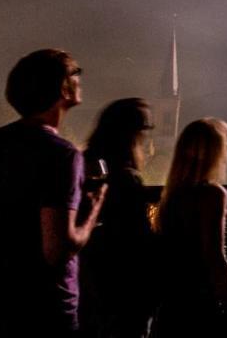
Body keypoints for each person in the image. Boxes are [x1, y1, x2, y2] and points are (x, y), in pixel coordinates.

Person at [0, 49, 107, 338]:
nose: (80, 79)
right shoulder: (61, 156)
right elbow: (57, 249)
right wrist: (94, 210)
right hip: (44, 317)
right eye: (75, 73)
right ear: (62, 87)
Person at [152, 118, 227, 338]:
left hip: (173, 304)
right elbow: (214, 255)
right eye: (225, 143)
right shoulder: (213, 194)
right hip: (202, 304)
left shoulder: (172, 195)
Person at [80, 98, 158, 338]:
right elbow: (137, 242)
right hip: (122, 295)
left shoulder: (84, 166)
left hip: (87, 289)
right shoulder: (126, 179)